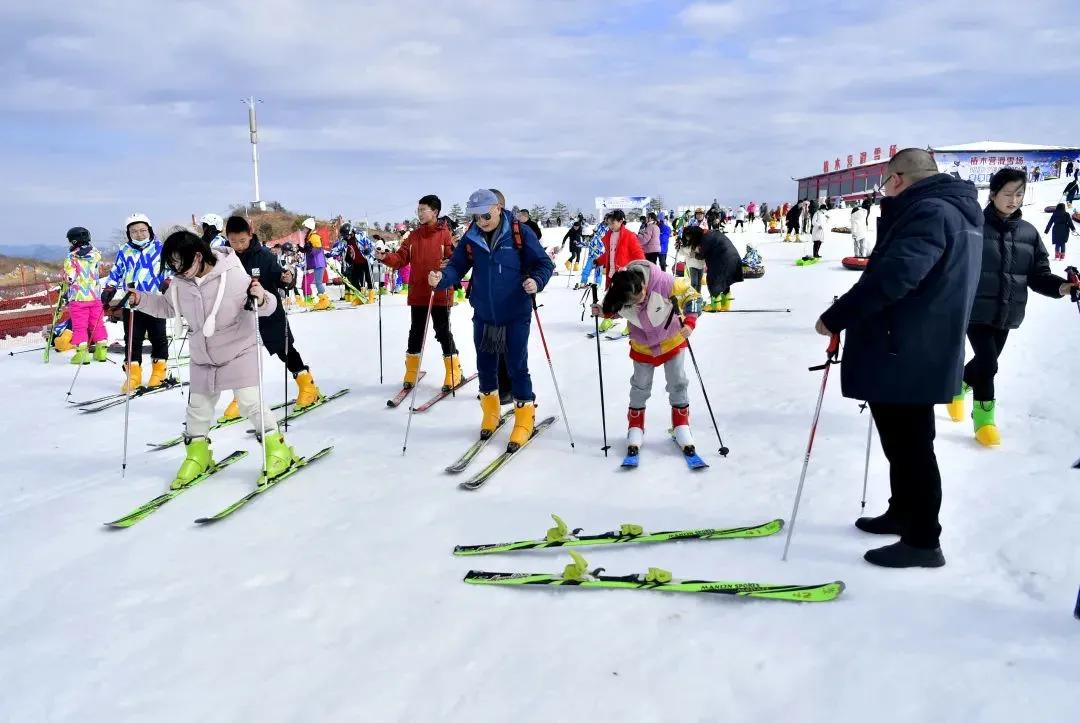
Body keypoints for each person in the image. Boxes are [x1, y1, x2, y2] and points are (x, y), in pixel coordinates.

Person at [815, 148, 984, 568]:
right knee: (903, 443)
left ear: (897, 179)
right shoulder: (952, 210)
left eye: (886, 183)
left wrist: (836, 317)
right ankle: (903, 512)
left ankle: (923, 541)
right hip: (917, 344)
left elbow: (896, 276)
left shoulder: (930, 211)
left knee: (911, 449)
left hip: (906, 347)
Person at [131, 230, 301, 489]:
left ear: (198, 256)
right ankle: (198, 456)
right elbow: (167, 307)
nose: (177, 270)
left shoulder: (233, 274)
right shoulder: (180, 283)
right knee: (197, 409)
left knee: (250, 402)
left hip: (238, 350)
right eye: (173, 265)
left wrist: (261, 296)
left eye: (181, 263)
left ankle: (278, 450)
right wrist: (138, 299)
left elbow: (268, 306)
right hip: (203, 354)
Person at [946, 168, 1077, 445]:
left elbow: (1038, 275)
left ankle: (958, 386)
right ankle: (984, 422)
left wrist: (1063, 287)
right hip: (974, 311)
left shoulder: (1029, 233)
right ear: (993, 194)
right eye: (1007, 194)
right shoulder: (973, 227)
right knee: (988, 363)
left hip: (1007, 312)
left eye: (1019, 194)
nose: (1013, 200)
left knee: (987, 363)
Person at [429, 189, 555, 450]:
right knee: (485, 366)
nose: (481, 221)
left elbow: (544, 264)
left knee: (516, 366)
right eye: (476, 217)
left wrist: (537, 281)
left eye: (486, 215)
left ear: (498, 208)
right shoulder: (472, 236)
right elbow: (457, 266)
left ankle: (524, 419)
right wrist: (442, 278)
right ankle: (491, 413)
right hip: (485, 313)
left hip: (515, 312)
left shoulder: (520, 233)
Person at [593, 261, 702, 457]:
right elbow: (612, 309)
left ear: (643, 284)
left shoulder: (663, 282)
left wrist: (690, 321)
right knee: (640, 385)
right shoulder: (619, 291)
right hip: (642, 346)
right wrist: (601, 312)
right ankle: (635, 425)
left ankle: (681, 424)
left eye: (641, 294)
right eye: (633, 302)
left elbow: (691, 294)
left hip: (672, 339)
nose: (641, 300)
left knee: (677, 381)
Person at [223, 215, 323, 413]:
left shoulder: (264, 256)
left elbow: (280, 279)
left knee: (284, 350)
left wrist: (286, 279)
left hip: (269, 312)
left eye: (242, 240)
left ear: (250, 235)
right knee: (240, 358)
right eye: (233, 241)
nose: (239, 246)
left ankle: (307, 385)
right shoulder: (226, 258)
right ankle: (243, 398)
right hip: (241, 316)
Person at [376, 195, 466, 393]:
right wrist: (386, 257)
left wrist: (450, 261)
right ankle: (412, 370)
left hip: (440, 292)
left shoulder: (446, 234)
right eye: (418, 210)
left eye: (423, 210)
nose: (419, 213)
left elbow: (456, 260)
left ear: (435, 212)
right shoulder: (414, 236)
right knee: (415, 332)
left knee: (442, 332)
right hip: (418, 292)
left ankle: (454, 370)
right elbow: (401, 258)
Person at [101, 213, 171, 392]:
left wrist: (168, 281)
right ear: (129, 233)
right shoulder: (124, 250)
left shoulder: (161, 248)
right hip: (132, 302)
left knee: (158, 336)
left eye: (142, 230)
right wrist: (109, 288)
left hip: (155, 301)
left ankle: (159, 371)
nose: (139, 234)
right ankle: (133, 374)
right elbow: (116, 272)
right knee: (132, 338)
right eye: (134, 231)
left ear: (149, 230)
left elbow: (171, 269)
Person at [63, 227, 108, 364]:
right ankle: (101, 352)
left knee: (80, 326)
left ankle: (82, 355)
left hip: (79, 298)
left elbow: (70, 278)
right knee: (97, 324)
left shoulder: (71, 257)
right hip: (95, 297)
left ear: (73, 241)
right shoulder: (95, 255)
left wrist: (64, 278)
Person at [689, 225, 743, 311]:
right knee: (725, 281)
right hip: (734, 257)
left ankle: (715, 305)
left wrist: (694, 255)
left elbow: (702, 255)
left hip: (723, 259)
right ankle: (726, 304)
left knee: (713, 281)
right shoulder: (712, 233)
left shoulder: (705, 239)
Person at [300, 218, 329, 310]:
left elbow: (317, 249)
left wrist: (310, 249)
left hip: (318, 263)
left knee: (318, 283)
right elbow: (309, 250)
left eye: (305, 228)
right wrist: (302, 249)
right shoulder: (309, 237)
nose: (304, 230)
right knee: (317, 283)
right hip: (315, 264)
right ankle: (323, 300)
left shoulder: (314, 236)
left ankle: (324, 301)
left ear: (309, 228)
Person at [575, 216, 608, 290]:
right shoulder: (589, 239)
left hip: (599, 258)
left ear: (589, 235)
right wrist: (577, 244)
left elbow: (602, 248)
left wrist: (597, 252)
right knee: (586, 270)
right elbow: (585, 244)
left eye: (585, 237)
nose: (585, 238)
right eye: (584, 237)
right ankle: (583, 282)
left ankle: (597, 283)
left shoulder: (598, 239)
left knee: (598, 271)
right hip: (591, 257)